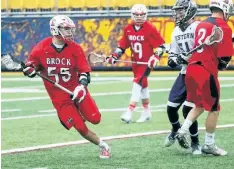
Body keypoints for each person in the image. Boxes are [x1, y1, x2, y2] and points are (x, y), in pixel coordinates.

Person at [22, 15, 111, 159]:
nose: (70, 32)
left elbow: (84, 71)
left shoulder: (75, 48)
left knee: (96, 119)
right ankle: (103, 145)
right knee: (81, 127)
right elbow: (32, 68)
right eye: (66, 29)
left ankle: (80, 112)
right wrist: (29, 71)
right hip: (60, 99)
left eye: (71, 29)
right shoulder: (40, 49)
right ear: (55, 30)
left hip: (78, 91)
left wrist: (81, 87)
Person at [176, 0, 233, 156]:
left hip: (191, 69)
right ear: (225, 8)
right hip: (205, 70)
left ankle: (182, 130)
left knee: (200, 104)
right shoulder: (224, 27)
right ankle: (209, 144)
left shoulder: (201, 24)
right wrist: (223, 63)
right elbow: (224, 59)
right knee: (214, 109)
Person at [106, 4, 165, 123]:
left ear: (145, 15)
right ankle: (147, 112)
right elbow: (122, 45)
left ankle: (129, 111)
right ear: (132, 15)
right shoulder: (128, 28)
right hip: (136, 63)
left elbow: (161, 46)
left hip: (146, 63)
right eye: (136, 15)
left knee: (137, 83)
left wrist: (156, 56)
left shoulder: (150, 28)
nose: (139, 17)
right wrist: (114, 56)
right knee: (143, 86)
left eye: (141, 15)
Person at [161, 0, 201, 154]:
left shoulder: (198, 27)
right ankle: (176, 130)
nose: (177, 14)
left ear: (190, 11)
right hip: (184, 73)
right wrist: (172, 59)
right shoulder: (176, 31)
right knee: (171, 108)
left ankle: (195, 143)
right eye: (176, 11)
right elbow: (174, 53)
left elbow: (203, 49)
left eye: (181, 11)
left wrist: (188, 57)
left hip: (197, 73)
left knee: (187, 110)